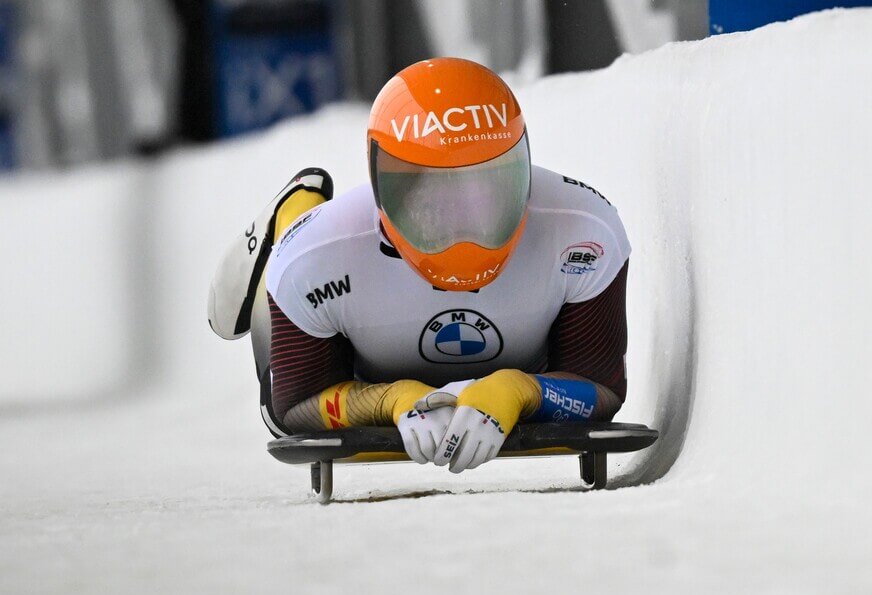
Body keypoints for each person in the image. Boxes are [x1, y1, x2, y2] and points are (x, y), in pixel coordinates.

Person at [208, 58, 631, 474]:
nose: (462, 225)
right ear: (385, 189)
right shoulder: (313, 256)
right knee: (273, 405)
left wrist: (519, 390)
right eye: (432, 198)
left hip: (511, 367)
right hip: (352, 356)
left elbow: (603, 386)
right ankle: (294, 211)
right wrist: (389, 399)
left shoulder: (585, 232)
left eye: (486, 186)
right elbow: (293, 409)